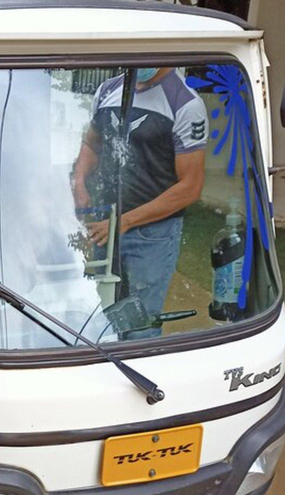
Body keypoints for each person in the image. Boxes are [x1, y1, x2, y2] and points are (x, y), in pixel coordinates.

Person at [72, 67, 208, 338]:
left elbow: (190, 188)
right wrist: (79, 178)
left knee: (139, 327)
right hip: (102, 226)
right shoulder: (108, 90)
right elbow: (92, 143)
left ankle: (137, 378)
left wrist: (125, 222)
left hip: (151, 236)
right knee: (93, 317)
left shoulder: (185, 103)